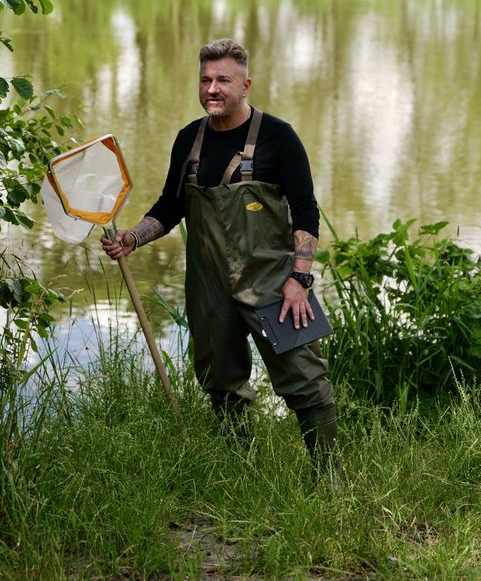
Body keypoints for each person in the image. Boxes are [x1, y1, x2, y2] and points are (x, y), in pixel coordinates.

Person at [101, 38, 340, 481]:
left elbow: (306, 210)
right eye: (206, 80)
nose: (213, 89)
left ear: (245, 85)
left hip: (274, 285)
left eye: (223, 80)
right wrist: (134, 237)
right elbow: (170, 207)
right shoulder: (187, 139)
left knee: (306, 380)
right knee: (222, 383)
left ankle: (330, 480)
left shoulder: (278, 137)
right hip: (210, 286)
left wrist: (300, 278)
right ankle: (239, 473)